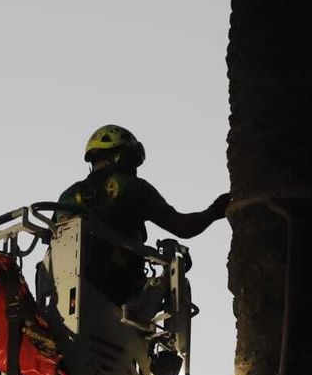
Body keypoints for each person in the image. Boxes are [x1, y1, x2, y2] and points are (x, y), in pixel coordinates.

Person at [56, 125, 229, 303]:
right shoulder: (133, 186)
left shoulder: (67, 195)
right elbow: (182, 227)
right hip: (116, 289)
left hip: (60, 293)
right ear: (121, 157)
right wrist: (215, 211)